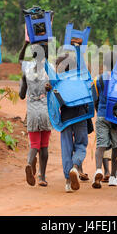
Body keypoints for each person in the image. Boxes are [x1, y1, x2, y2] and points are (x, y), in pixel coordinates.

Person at [45, 52, 89, 193]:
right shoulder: (80, 79)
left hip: (65, 118)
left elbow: (55, 102)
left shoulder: (59, 82)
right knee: (81, 145)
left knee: (66, 148)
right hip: (81, 116)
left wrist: (50, 90)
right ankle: (75, 167)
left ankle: (68, 182)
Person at [18, 40, 52, 187]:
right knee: (44, 146)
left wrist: (25, 44)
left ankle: (29, 163)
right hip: (45, 109)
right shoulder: (49, 69)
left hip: (32, 110)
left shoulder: (27, 69)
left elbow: (21, 95)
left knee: (34, 144)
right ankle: (42, 177)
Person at [91, 51, 117, 189]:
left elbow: (94, 99)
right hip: (115, 117)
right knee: (116, 146)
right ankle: (113, 176)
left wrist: (99, 111)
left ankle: (98, 170)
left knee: (101, 145)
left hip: (102, 114)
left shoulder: (98, 79)